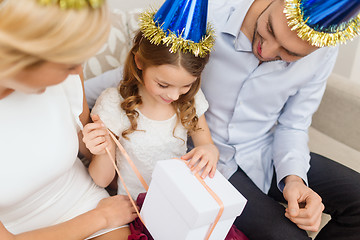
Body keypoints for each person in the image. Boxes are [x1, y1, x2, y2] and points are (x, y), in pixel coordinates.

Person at [84, 0, 360, 239]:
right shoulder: (208, 16)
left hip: (264, 150)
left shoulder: (323, 51)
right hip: (207, 164)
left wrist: (294, 179)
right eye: (269, 30)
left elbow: (294, 124)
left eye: (289, 55)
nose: (266, 51)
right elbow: (139, 78)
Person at [0, 0, 138, 239]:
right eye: (70, 63)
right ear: (27, 56)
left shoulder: (66, 78)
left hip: (81, 200)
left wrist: (103, 144)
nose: (77, 72)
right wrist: (101, 217)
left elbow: (85, 145)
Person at [82, 0, 219, 200]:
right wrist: (103, 149)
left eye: (186, 85)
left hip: (179, 200)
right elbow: (101, 180)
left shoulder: (190, 99)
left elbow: (206, 144)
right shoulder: (114, 104)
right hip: (136, 206)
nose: (174, 96)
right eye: (164, 85)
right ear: (139, 61)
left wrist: (209, 151)